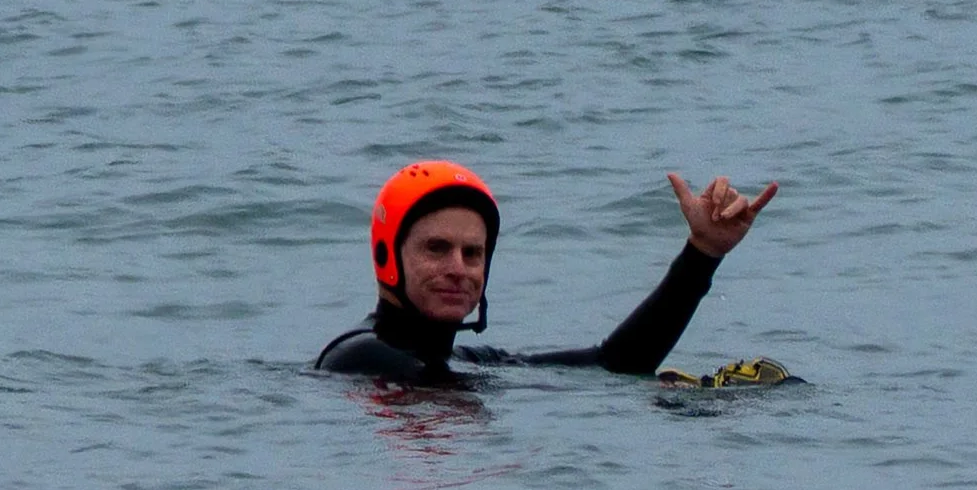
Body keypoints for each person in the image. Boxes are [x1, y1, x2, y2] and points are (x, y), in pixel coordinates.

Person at [315, 158, 778, 384]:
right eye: (437, 249)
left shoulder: (463, 361)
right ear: (387, 257)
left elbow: (613, 364)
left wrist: (703, 253)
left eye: (473, 254)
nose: (458, 268)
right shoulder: (359, 358)